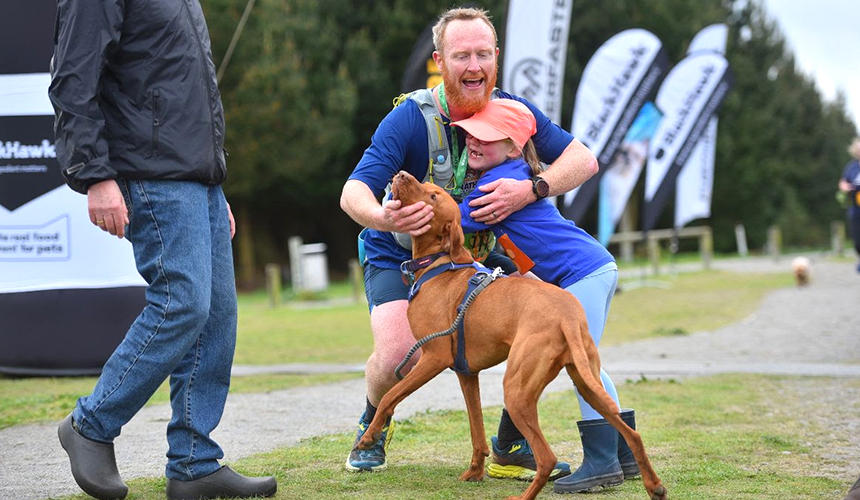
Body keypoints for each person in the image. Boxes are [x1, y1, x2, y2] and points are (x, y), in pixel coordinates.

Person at [340, 6, 598, 480]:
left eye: (483, 54)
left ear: (496, 57)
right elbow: (351, 191)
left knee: (550, 308)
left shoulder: (512, 112)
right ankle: (375, 420)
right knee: (402, 353)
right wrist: (383, 214)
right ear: (440, 59)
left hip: (475, 257)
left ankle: (510, 441)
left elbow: (583, 159)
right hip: (401, 256)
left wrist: (533, 187)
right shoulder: (409, 119)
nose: (474, 66)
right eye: (461, 56)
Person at [49, 1, 277, 499]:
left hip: (195, 179)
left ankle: (194, 462)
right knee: (182, 302)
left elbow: (184, 92)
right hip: (149, 172)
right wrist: (95, 175)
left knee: (216, 315)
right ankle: (91, 425)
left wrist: (213, 186)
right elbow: (73, 77)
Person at [450, 98, 636, 493]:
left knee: (582, 365)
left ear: (514, 147)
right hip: (592, 270)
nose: (473, 143)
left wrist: (412, 203)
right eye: (469, 135)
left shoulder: (494, 185)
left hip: (581, 274)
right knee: (589, 363)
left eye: (487, 137)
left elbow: (454, 219)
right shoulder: (514, 171)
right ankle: (624, 456)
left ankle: (603, 462)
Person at [838, 137, 860, 272]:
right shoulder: (851, 167)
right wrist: (845, 187)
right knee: (857, 239)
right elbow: (843, 182)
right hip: (856, 207)